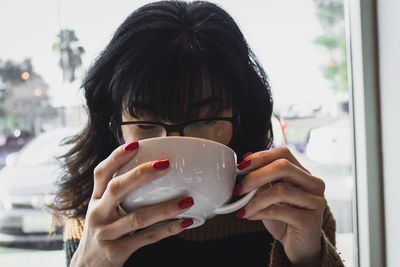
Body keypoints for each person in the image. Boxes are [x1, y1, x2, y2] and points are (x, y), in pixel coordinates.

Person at [53, 1, 344, 266]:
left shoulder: (287, 207)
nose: (172, 146)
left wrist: (308, 258)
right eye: (144, 123)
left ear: (239, 118)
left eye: (204, 119)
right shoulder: (95, 216)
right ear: (115, 128)